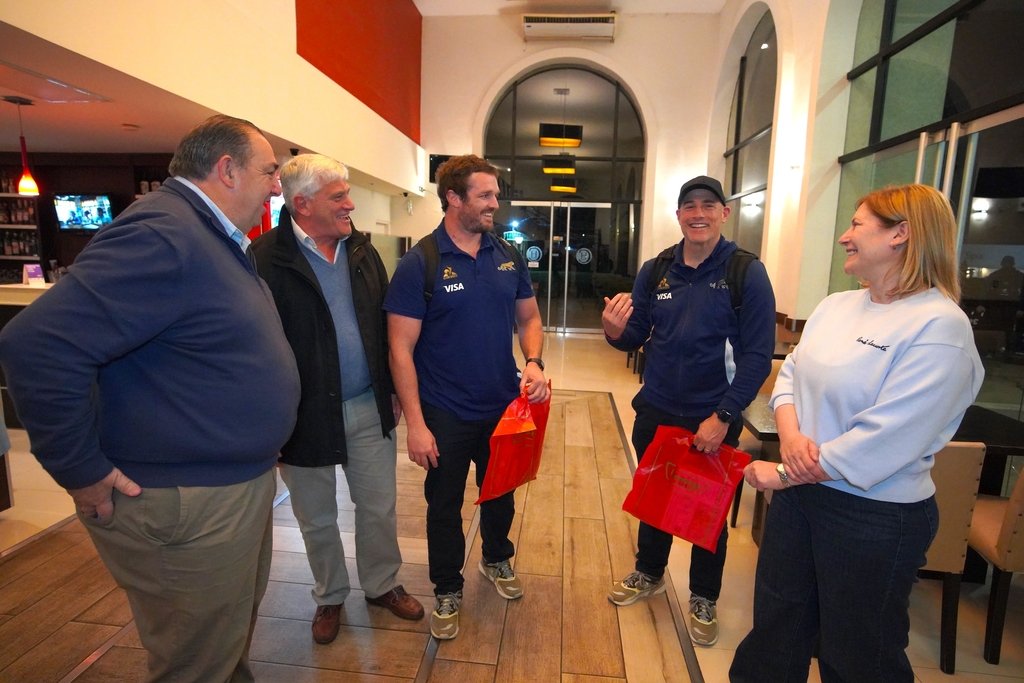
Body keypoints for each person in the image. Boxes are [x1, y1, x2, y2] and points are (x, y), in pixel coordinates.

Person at [0, 115, 301, 682]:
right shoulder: (165, 234)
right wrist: (80, 469)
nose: (277, 186)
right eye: (269, 172)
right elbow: (36, 345)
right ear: (227, 169)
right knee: (196, 661)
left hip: (225, 487)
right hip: (186, 502)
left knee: (222, 643)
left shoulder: (208, 236)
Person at [730, 184, 984, 682]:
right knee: (775, 633)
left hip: (874, 516)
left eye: (857, 225)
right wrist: (792, 438)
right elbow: (789, 377)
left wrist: (784, 473)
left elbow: (886, 437)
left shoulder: (940, 327)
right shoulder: (836, 306)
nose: (844, 236)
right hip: (802, 500)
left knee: (857, 655)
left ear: (900, 234)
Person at [251, 154, 424, 645]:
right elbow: (255, 350)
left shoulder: (363, 251)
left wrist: (390, 391)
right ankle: (329, 595)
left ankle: (382, 584)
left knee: (378, 506)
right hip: (301, 417)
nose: (350, 204)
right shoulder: (263, 259)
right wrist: (270, 424)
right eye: (339, 196)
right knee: (316, 516)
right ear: (302, 203)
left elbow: (384, 328)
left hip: (367, 404)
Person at [602, 175, 775, 647]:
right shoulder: (657, 269)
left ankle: (703, 596)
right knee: (655, 498)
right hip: (657, 409)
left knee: (706, 513)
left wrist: (724, 416)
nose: (698, 213)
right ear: (678, 215)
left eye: (708, 205)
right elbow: (635, 334)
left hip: (711, 415)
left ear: (724, 213)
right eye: (689, 206)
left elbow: (758, 356)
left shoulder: (745, 272)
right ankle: (649, 572)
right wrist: (613, 331)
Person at [384, 154, 550, 641]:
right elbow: (399, 349)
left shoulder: (507, 254)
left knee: (500, 493)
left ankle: (496, 558)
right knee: (443, 504)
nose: (495, 203)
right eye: (485, 195)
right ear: (453, 198)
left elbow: (529, 318)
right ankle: (447, 587)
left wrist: (534, 362)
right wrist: (415, 424)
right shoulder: (420, 263)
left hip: (502, 406)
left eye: (495, 194)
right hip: (445, 411)